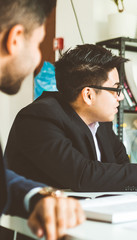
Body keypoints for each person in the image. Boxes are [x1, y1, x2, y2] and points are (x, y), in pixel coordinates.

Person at [5, 44, 137, 192]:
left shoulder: (102, 124)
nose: (121, 97)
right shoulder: (38, 118)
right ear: (89, 95)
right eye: (116, 89)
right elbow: (82, 175)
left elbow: (122, 173)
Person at [0, 0, 85, 239]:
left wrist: (36, 196)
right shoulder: (41, 114)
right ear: (15, 39)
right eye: (38, 43)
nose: (39, 59)